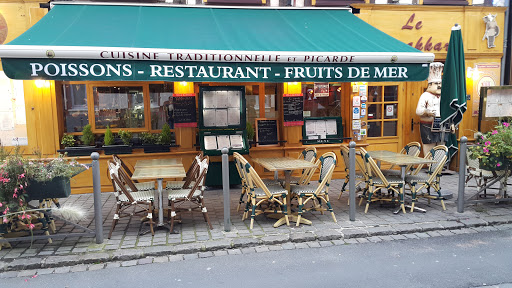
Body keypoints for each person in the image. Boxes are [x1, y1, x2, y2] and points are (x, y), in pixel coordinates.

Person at [416, 62, 445, 156]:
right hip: (428, 125)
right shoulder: (425, 96)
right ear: (430, 85)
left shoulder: (443, 96)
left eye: (440, 83)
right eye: (436, 83)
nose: (439, 86)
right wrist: (427, 112)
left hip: (442, 124)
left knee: (441, 145)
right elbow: (418, 111)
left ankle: (439, 164)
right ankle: (430, 165)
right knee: (429, 144)